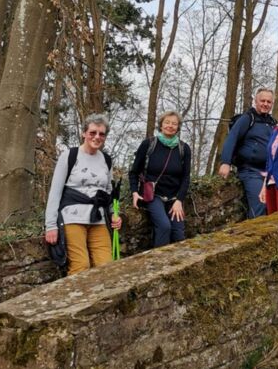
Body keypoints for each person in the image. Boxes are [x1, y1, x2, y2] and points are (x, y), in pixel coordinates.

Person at [44, 113, 122, 276]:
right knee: (80, 266)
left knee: (107, 267)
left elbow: (108, 194)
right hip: (72, 217)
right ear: (84, 133)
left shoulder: (106, 160)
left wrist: (115, 214)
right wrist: (50, 225)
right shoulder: (70, 156)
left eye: (101, 134)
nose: (97, 137)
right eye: (93, 132)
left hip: (97, 218)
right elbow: (55, 192)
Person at [128, 111, 191, 248]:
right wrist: (134, 192)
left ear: (178, 127)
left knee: (178, 233)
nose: (170, 126)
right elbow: (134, 172)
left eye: (174, 123)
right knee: (164, 226)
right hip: (152, 195)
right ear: (161, 125)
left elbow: (186, 177)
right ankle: (160, 266)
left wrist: (179, 200)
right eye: (167, 122)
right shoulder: (149, 144)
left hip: (174, 197)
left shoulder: (183, 149)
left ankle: (177, 265)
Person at [218, 87, 277, 218]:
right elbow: (231, 138)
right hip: (251, 171)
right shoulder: (247, 118)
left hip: (269, 172)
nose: (265, 104)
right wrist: (225, 162)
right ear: (256, 101)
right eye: (262, 101)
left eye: (269, 102)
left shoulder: (273, 123)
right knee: (260, 205)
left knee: (276, 206)